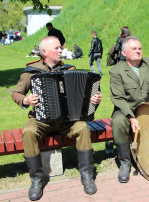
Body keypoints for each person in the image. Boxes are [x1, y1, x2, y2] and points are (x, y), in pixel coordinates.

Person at [12, 36, 102, 200]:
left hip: (67, 121)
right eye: (57, 48)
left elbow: (85, 95)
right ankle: (37, 180)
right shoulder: (31, 71)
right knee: (29, 132)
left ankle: (87, 175)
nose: (61, 50)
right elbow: (16, 93)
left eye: (61, 48)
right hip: (40, 120)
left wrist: (94, 99)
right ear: (44, 52)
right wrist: (24, 100)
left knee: (82, 128)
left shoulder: (69, 69)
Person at [109, 36, 149, 183]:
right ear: (124, 53)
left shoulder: (148, 63)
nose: (138, 51)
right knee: (118, 122)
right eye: (134, 49)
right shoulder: (116, 71)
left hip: (148, 108)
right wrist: (131, 117)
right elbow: (118, 98)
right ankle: (125, 162)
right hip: (126, 109)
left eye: (140, 48)